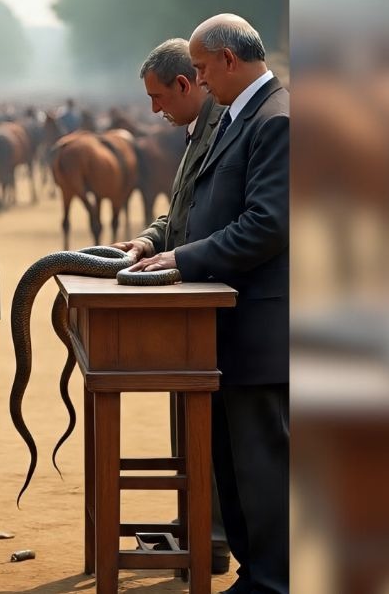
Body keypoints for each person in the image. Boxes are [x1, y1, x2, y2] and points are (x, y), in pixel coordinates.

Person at [131, 14, 289, 594]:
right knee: (233, 464)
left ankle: (274, 581)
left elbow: (268, 225)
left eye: (199, 68)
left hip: (261, 325)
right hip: (225, 323)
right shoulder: (237, 120)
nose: (197, 80)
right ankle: (256, 575)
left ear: (227, 60)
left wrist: (182, 259)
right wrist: (161, 241)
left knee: (263, 467)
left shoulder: (277, 120)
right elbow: (198, 207)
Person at [114, 37, 231, 575]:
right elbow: (180, 216)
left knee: (228, 444)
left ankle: (213, 539)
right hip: (196, 304)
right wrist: (146, 242)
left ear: (186, 85)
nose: (154, 110)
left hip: (222, 305)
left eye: (159, 98)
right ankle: (202, 532)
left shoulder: (229, 130)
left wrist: (176, 257)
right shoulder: (197, 133)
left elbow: (243, 225)